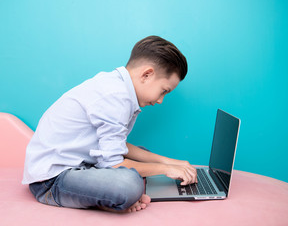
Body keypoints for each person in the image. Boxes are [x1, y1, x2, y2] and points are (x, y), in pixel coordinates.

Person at [22, 35, 197, 213]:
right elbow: (114, 165)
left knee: (142, 153)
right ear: (147, 74)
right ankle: (112, 199)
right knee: (127, 185)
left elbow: (116, 146)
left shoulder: (117, 86)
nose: (160, 100)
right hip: (51, 181)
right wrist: (166, 169)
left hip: (80, 164)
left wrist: (171, 163)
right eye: (164, 91)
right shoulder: (115, 97)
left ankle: (107, 196)